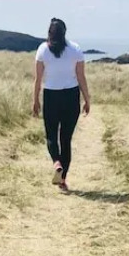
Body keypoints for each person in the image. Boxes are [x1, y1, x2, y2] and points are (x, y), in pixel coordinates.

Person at [32, 18, 91, 192]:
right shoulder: (76, 49)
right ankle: (63, 180)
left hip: (51, 96)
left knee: (51, 136)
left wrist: (35, 100)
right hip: (71, 96)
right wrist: (87, 99)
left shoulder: (43, 50)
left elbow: (38, 79)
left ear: (49, 33)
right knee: (66, 140)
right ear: (64, 32)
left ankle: (56, 162)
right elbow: (81, 77)